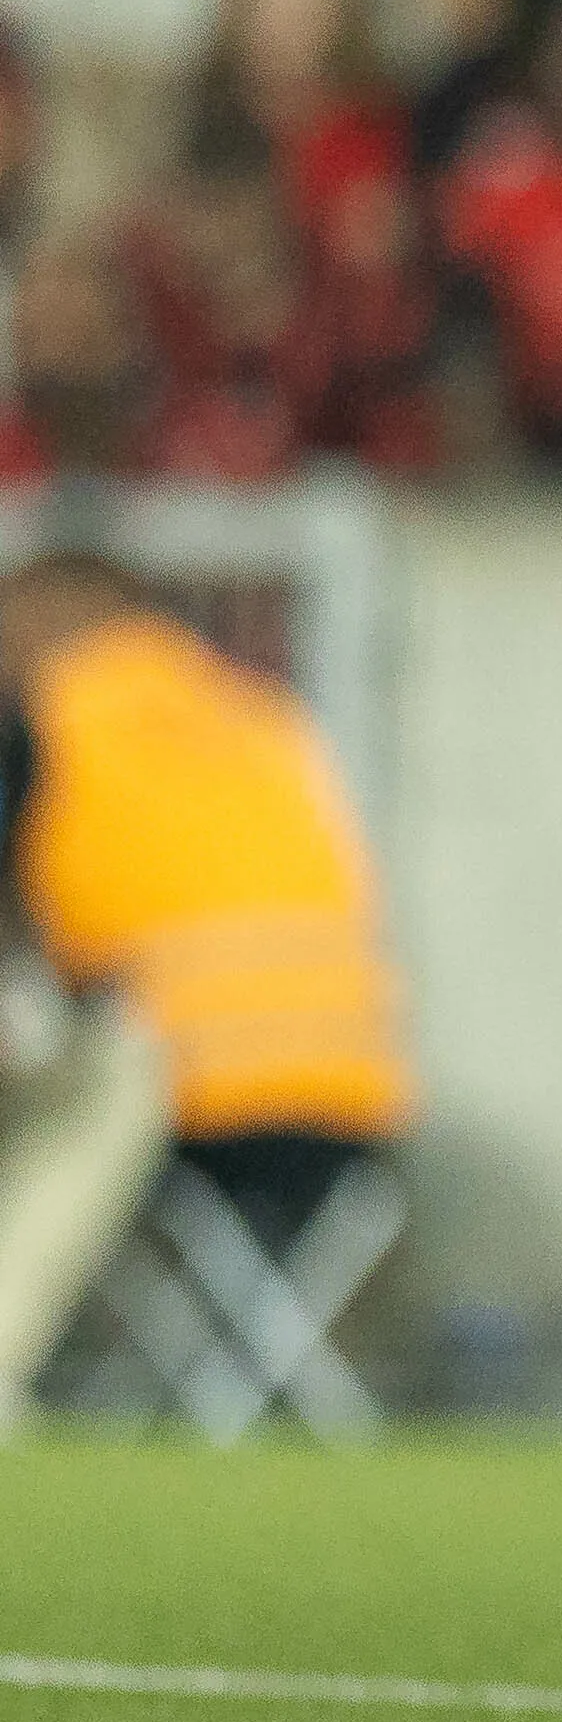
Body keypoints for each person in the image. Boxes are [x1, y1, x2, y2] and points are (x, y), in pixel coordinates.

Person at [0, 553, 414, 1406]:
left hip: (190, 1089)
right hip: (356, 1102)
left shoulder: (50, 714)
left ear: (44, 618)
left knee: (80, 1097)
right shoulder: (271, 719)